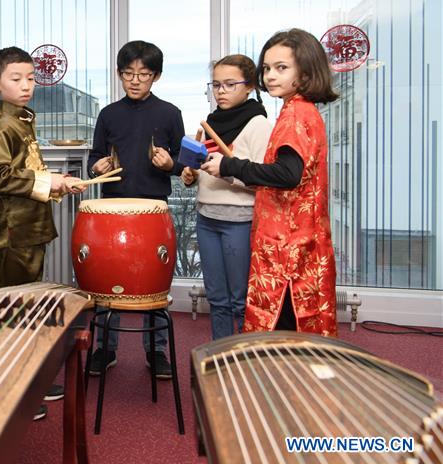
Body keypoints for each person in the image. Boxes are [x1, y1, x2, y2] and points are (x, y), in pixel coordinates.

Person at [201, 28, 338, 337]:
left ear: (305, 71)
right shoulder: (297, 110)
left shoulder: (295, 114)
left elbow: (288, 174)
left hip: (289, 248)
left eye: (281, 67)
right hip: (294, 240)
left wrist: (230, 165)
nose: (271, 75)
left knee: (284, 334)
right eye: (267, 68)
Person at [0, 46, 86, 420]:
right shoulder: (0, 127)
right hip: (14, 232)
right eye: (16, 79)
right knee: (10, 314)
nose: (26, 85)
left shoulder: (22, 119)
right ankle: (11, 392)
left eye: (30, 78)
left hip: (30, 227)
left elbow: (29, 172)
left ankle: (25, 382)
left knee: (25, 309)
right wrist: (49, 179)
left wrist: (58, 184)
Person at [86, 40, 185, 379]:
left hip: (154, 209)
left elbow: (183, 165)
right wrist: (97, 167)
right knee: (105, 280)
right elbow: (93, 157)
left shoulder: (169, 113)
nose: (135, 80)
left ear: (155, 76)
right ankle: (104, 348)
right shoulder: (108, 114)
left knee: (155, 282)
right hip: (111, 209)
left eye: (143, 74)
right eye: (128, 73)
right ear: (119, 74)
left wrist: (171, 163)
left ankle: (156, 352)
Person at [181, 55, 271, 340]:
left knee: (239, 300)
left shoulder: (258, 124)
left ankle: (245, 362)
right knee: (217, 299)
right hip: (207, 217)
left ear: (250, 86)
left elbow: (263, 181)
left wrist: (226, 172)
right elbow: (206, 165)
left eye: (230, 84)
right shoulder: (211, 121)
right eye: (216, 85)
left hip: (239, 221)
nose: (221, 91)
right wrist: (193, 176)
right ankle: (220, 358)